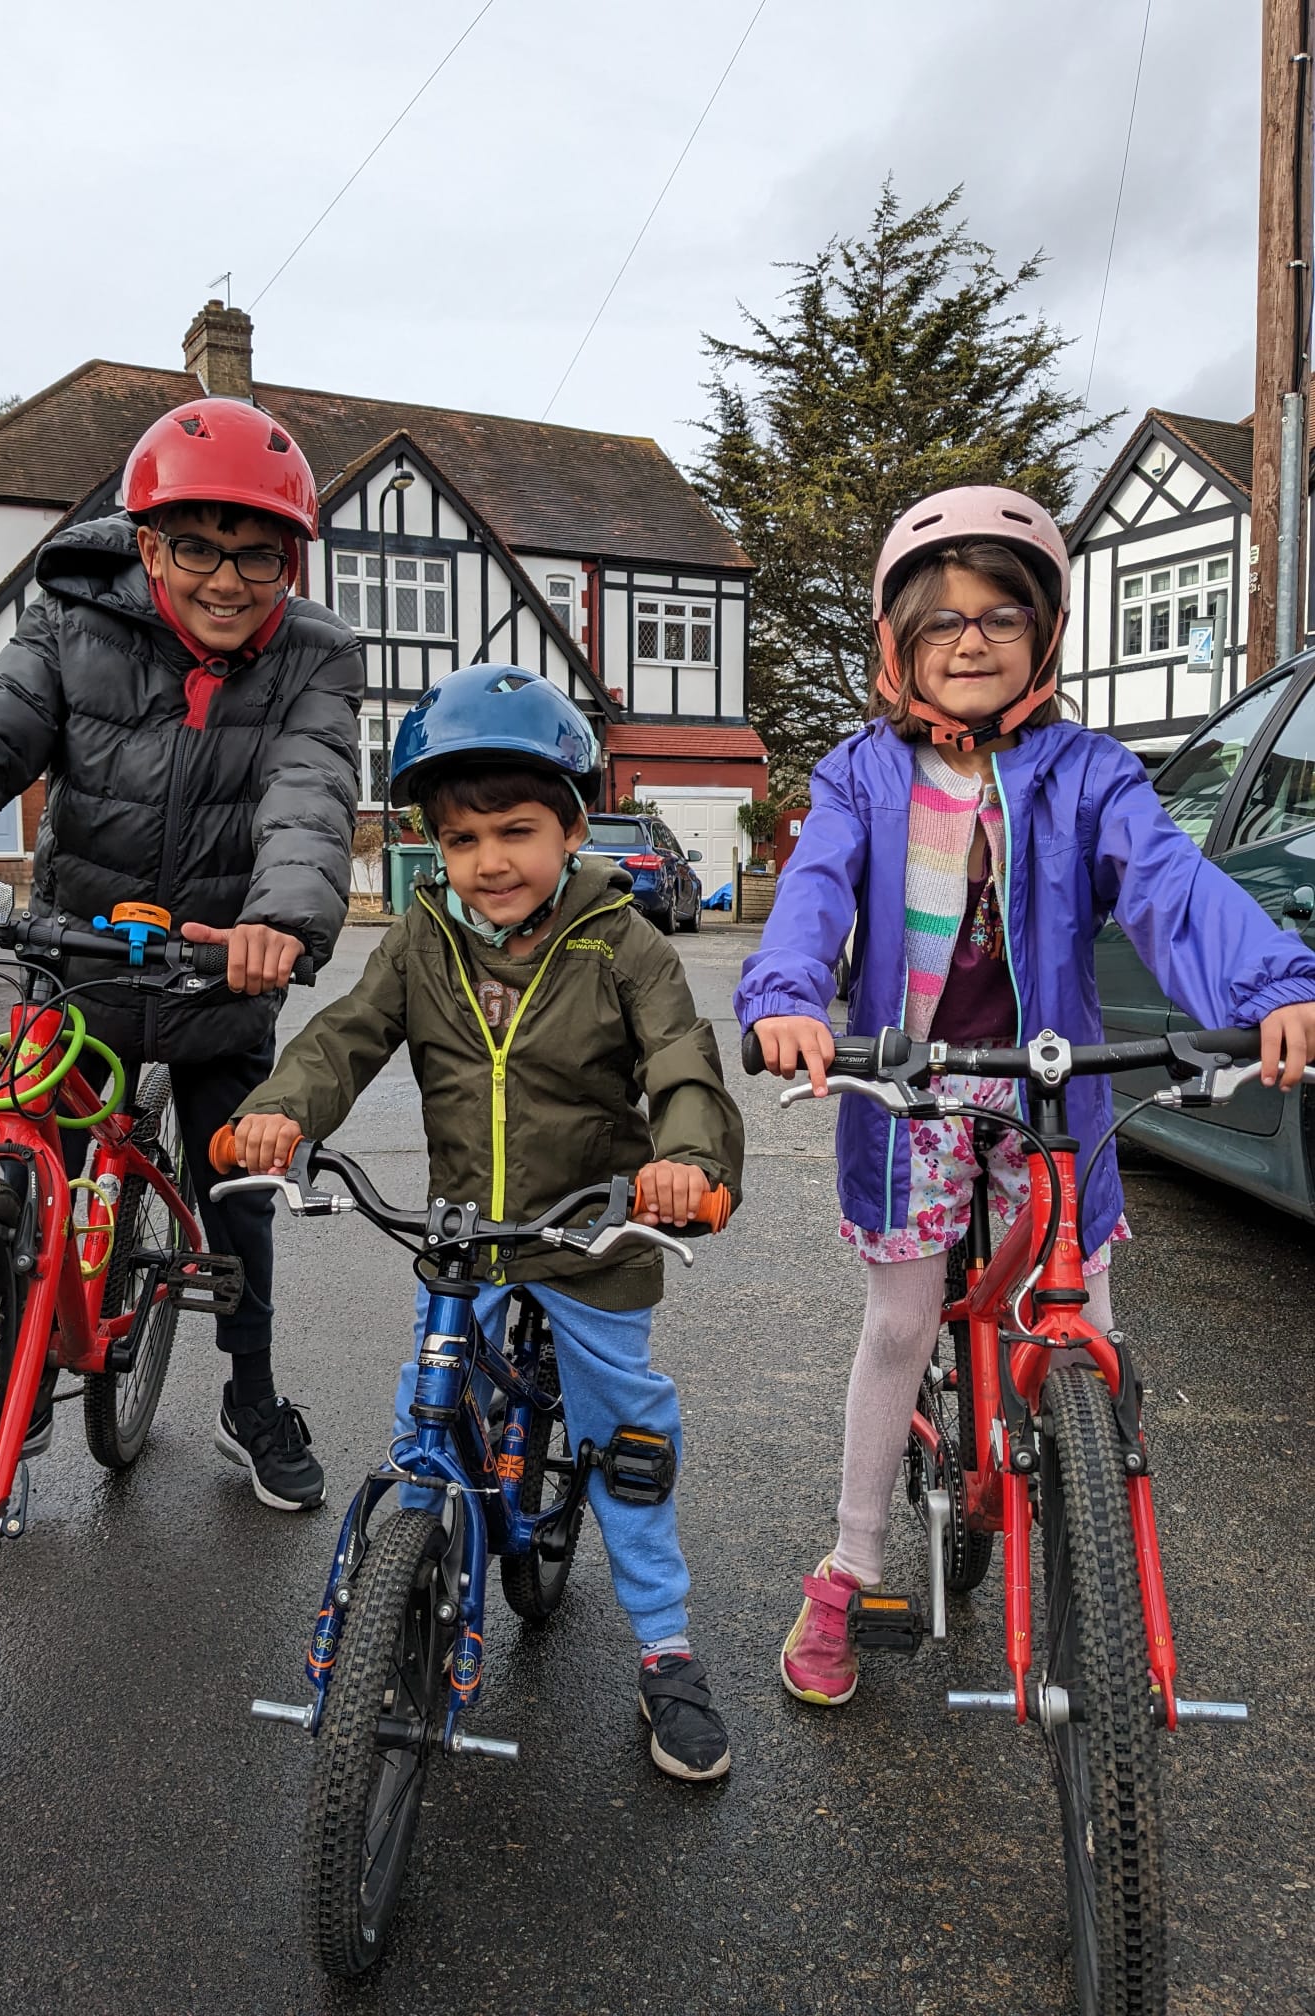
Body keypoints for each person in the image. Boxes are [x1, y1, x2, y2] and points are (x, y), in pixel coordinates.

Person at [734, 484, 1315, 1708]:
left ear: (1045, 635)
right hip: (911, 1081)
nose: (972, 641)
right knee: (902, 1319)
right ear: (897, 643)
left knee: (1087, 1317)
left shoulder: (1091, 772)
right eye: (940, 620)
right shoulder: (860, 777)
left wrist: (1269, 982)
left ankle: (1088, 1493)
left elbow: (1168, 885)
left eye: (1004, 615)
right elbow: (816, 894)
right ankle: (852, 1563)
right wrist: (790, 996)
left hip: (1056, 1080)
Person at [0, 397, 364, 1512]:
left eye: (259, 555)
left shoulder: (315, 658)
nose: (226, 579)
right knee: (14, 1166)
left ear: (290, 563)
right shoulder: (69, 629)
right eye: (196, 546)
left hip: (219, 973)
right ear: (147, 543)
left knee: (236, 1183)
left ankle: (248, 1394)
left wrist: (283, 924)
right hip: (77, 964)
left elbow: (311, 796)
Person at [230, 664, 745, 1781]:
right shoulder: (423, 941)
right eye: (462, 841)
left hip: (591, 1236)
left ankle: (667, 1648)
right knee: (428, 1416)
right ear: (435, 849)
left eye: (518, 830)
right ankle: (413, 1582)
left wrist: (686, 1160)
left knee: (624, 1444)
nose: (490, 861)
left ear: (573, 827)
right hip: (465, 1238)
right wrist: (278, 1112)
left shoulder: (623, 943)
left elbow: (679, 1060)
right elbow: (347, 1037)